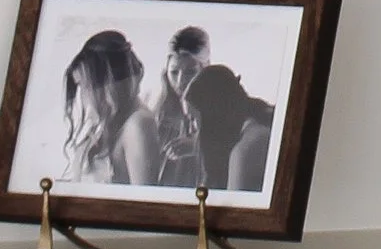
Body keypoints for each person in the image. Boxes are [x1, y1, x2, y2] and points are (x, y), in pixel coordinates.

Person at [59, 29, 157, 187]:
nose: (82, 96)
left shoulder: (138, 124)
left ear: (106, 85)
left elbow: (143, 203)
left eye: (84, 86)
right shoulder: (109, 122)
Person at [184, 61, 276, 197]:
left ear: (212, 114)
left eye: (193, 119)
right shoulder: (257, 128)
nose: (190, 130)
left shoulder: (246, 149)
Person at [146, 25, 212, 186]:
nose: (181, 81)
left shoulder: (220, 108)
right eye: (174, 72)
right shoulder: (157, 112)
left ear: (206, 69)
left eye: (190, 72)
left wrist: (197, 146)